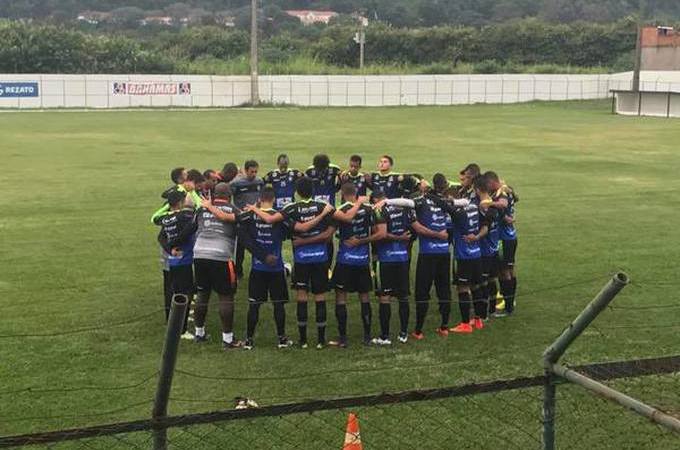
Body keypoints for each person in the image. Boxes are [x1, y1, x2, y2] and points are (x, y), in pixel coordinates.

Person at [245, 177, 336, 349]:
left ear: (296, 191)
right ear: (314, 190)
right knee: (320, 296)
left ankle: (302, 341)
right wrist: (323, 215)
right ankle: (320, 341)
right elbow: (330, 230)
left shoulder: (291, 208)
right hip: (321, 258)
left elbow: (274, 221)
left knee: (301, 296)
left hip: (301, 259)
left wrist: (254, 209)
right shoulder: (323, 206)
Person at [377, 174, 468, 339]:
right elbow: (464, 202)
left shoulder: (421, 201)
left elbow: (406, 202)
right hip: (444, 254)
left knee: (422, 292)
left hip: (427, 254)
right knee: (444, 290)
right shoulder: (445, 202)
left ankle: (418, 331)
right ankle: (444, 327)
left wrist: (387, 201)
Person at [192, 183, 259, 349]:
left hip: (199, 254)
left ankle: (199, 333)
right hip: (221, 256)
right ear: (229, 196)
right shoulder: (233, 209)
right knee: (226, 296)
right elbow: (243, 231)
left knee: (202, 293)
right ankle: (228, 339)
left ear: (214, 195)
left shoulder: (202, 209)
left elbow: (192, 228)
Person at [238, 187, 294, 350]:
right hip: (276, 268)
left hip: (258, 268)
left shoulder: (249, 216)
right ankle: (282, 339)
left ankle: (248, 340)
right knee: (278, 304)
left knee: (254, 304)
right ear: (274, 199)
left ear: (260, 199)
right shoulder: (280, 216)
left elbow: (244, 238)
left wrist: (261, 256)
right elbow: (289, 232)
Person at [328, 183, 377, 347]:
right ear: (356, 193)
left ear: (342, 194)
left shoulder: (340, 210)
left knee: (341, 297)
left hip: (345, 260)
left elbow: (333, 230)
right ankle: (367, 336)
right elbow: (377, 232)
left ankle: (343, 338)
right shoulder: (368, 209)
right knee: (364, 297)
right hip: (363, 260)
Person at [372, 190, 416, 344]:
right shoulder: (404, 209)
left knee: (385, 297)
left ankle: (385, 336)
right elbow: (413, 229)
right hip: (403, 258)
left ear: (377, 199)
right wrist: (405, 240)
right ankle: (403, 333)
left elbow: (381, 234)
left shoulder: (378, 210)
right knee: (403, 296)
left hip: (386, 259)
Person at [155, 186, 197, 338]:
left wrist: (169, 249)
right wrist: (174, 244)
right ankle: (181, 329)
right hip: (184, 261)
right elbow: (189, 230)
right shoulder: (184, 216)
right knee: (185, 294)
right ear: (180, 202)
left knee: (175, 292)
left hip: (172, 261)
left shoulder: (166, 218)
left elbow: (161, 237)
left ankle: (173, 323)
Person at [485, 172, 518, 317]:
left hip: (504, 238)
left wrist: (489, 203)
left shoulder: (502, 192)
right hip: (510, 236)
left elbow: (503, 204)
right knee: (509, 270)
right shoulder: (505, 190)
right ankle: (511, 301)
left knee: (504, 272)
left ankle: (508, 306)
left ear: (492, 182)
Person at [231, 160, 265, 279]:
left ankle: (259, 267)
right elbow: (229, 197)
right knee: (240, 247)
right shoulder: (236, 184)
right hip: (241, 219)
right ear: (246, 171)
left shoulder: (260, 182)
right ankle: (238, 272)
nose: (254, 174)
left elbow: (262, 197)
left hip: (255, 219)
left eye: (256, 171)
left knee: (257, 243)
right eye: (252, 172)